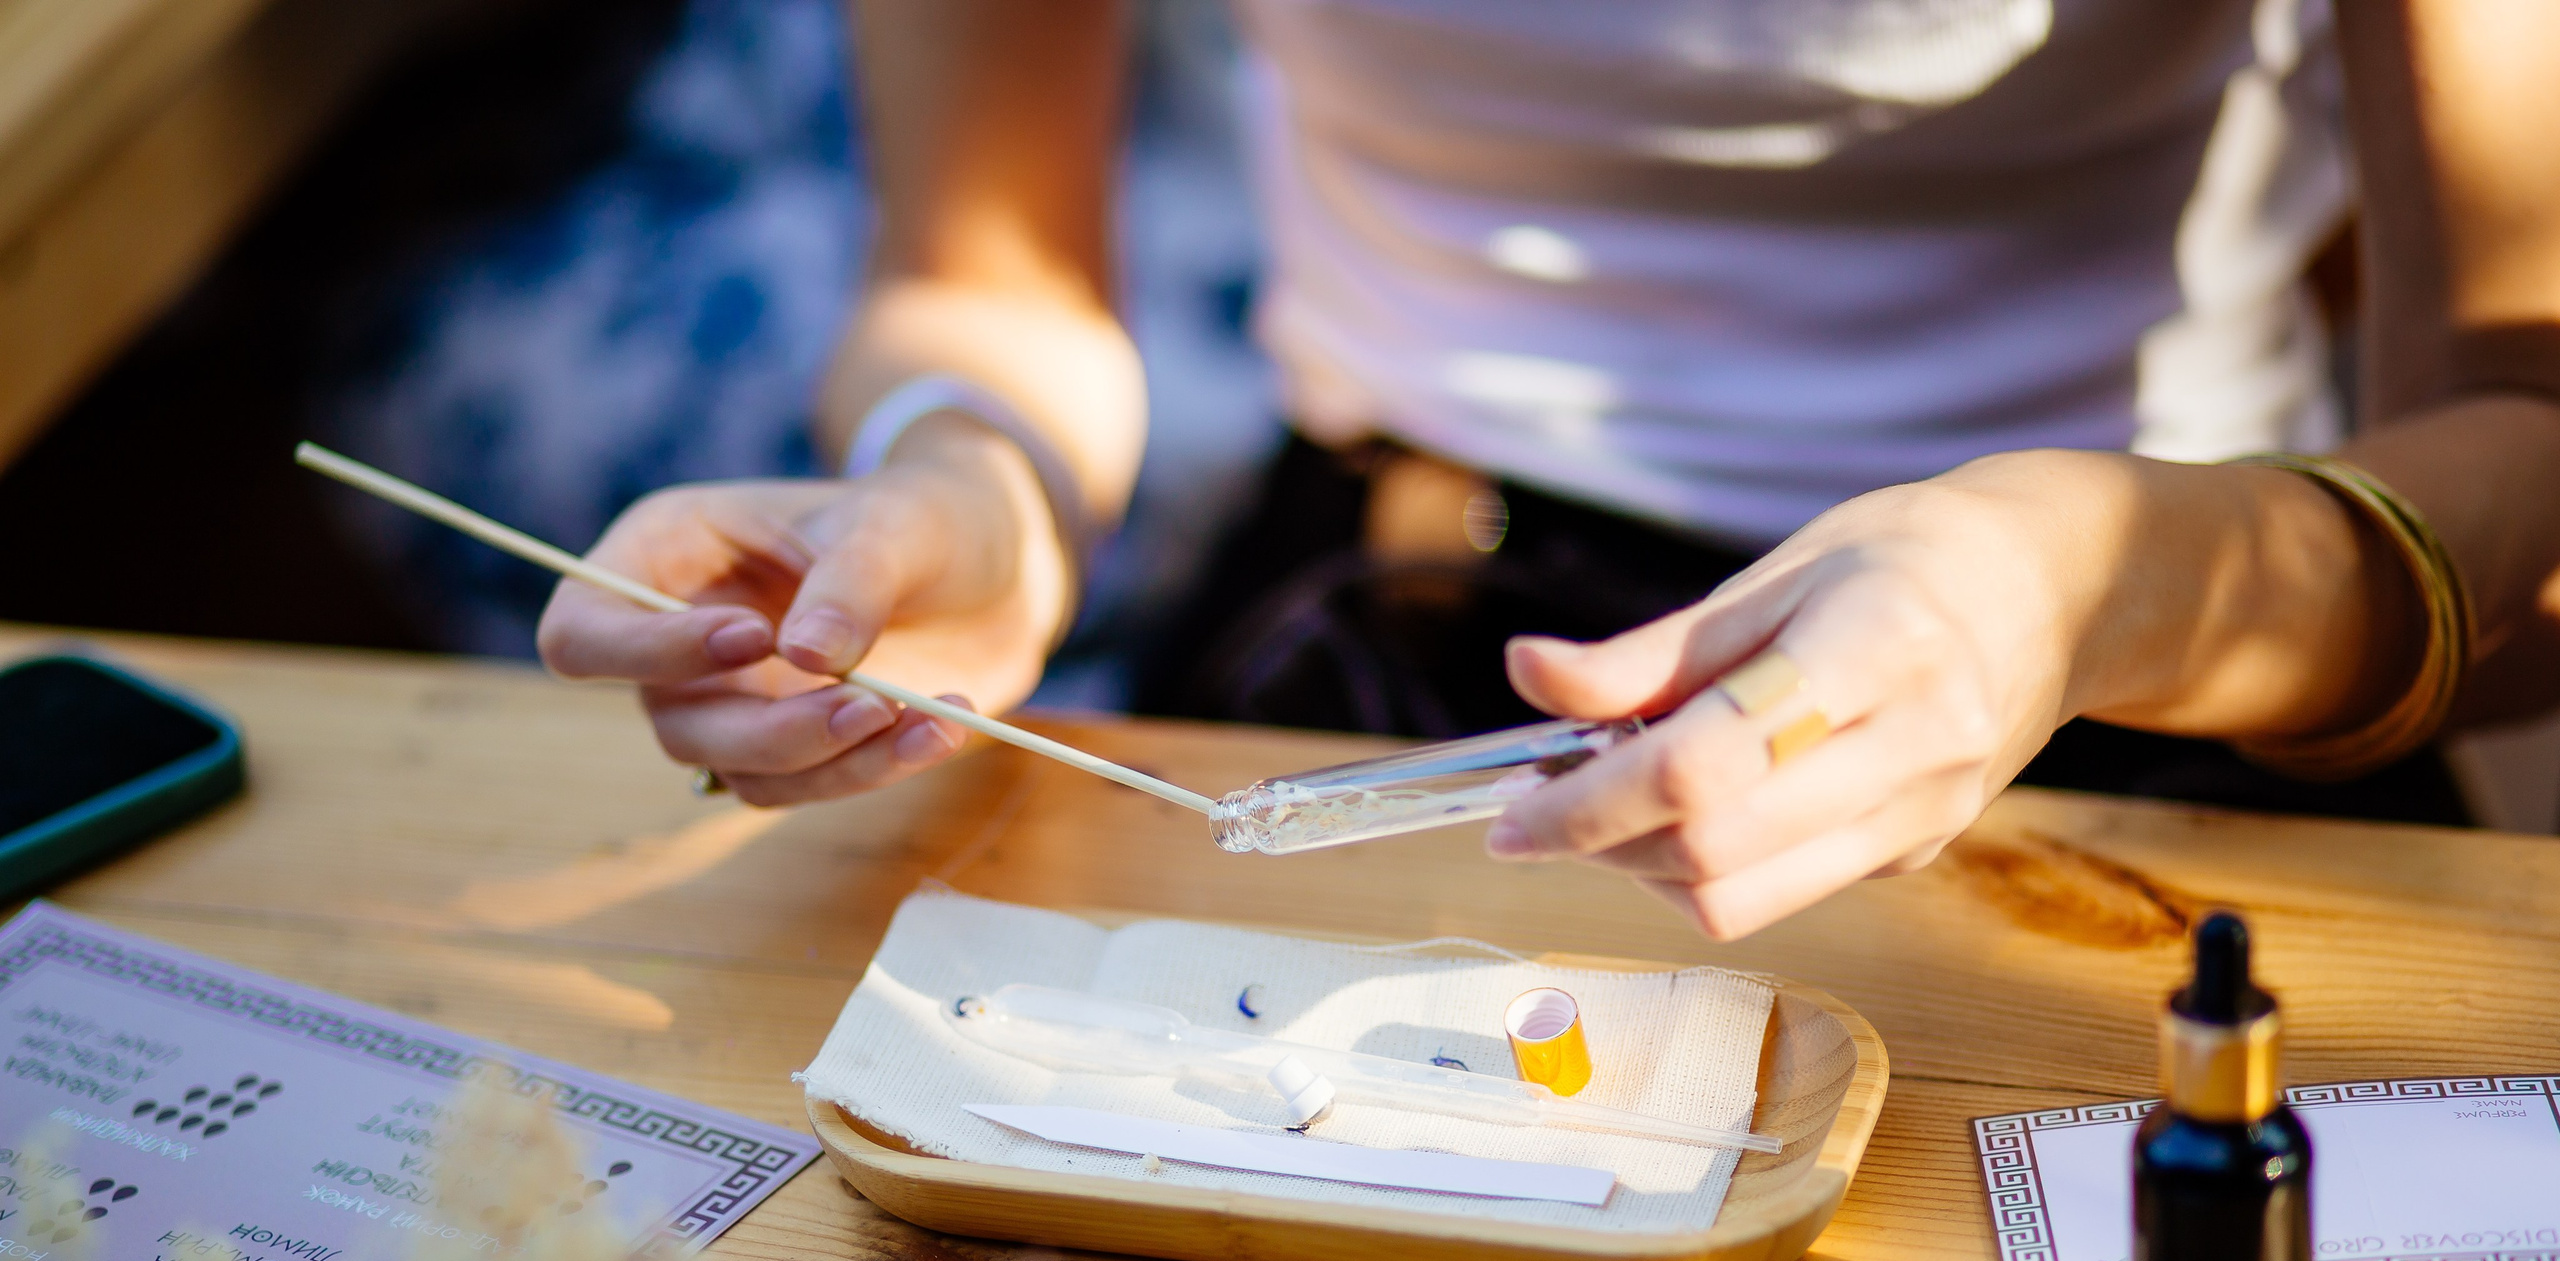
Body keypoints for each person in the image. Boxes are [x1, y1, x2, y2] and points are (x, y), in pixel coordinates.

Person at [535, 0, 2560, 940]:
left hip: (2149, 706)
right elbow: (984, 272)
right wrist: (960, 487)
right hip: (1378, 677)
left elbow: (2526, 469)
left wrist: (2084, 577)